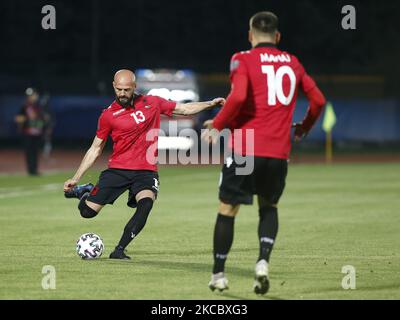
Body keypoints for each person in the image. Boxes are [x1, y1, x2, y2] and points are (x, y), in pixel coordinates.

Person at [202, 11, 326, 294]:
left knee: (227, 209)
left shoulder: (242, 58)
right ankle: (262, 263)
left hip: (245, 148)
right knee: (268, 207)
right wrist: (303, 128)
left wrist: (218, 124)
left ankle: (219, 274)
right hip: (278, 152)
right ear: (278, 37)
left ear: (250, 34)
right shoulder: (293, 62)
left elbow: (239, 95)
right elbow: (318, 100)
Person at [63, 69, 225, 260]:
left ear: (134, 87)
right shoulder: (108, 115)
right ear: (114, 86)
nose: (122, 94)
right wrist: (76, 177)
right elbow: (95, 148)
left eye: (127, 90)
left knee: (146, 204)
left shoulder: (152, 102)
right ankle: (85, 191)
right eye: (119, 89)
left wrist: (210, 104)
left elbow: (183, 109)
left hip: (146, 171)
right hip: (118, 169)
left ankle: (119, 250)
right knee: (87, 213)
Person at [15, 88, 46, 176]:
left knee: (35, 151)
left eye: (33, 95)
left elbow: (42, 119)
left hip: (37, 133)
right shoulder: (24, 106)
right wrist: (22, 121)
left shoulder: (38, 107)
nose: (32, 97)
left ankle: (34, 169)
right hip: (27, 133)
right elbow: (18, 118)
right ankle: (30, 170)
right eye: (30, 96)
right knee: (29, 152)